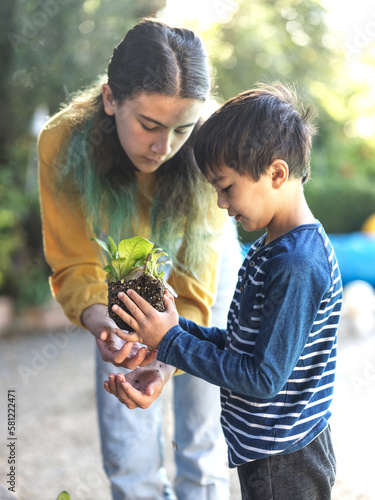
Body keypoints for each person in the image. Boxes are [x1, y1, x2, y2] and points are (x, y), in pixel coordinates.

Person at [105, 83, 343, 500]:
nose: (219, 203)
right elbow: (243, 347)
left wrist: (173, 341)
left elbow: (262, 378)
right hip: (273, 451)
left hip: (284, 462)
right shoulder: (273, 246)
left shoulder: (295, 265)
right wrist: (174, 335)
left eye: (226, 187)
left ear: (276, 173)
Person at [38, 17, 242, 500]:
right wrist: (103, 324)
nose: (163, 147)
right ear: (111, 99)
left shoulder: (208, 143)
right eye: (149, 125)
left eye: (181, 130)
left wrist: (169, 360)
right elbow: (73, 262)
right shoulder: (61, 141)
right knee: (126, 434)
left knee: (201, 432)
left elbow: (194, 288)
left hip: (205, 272)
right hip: (122, 277)